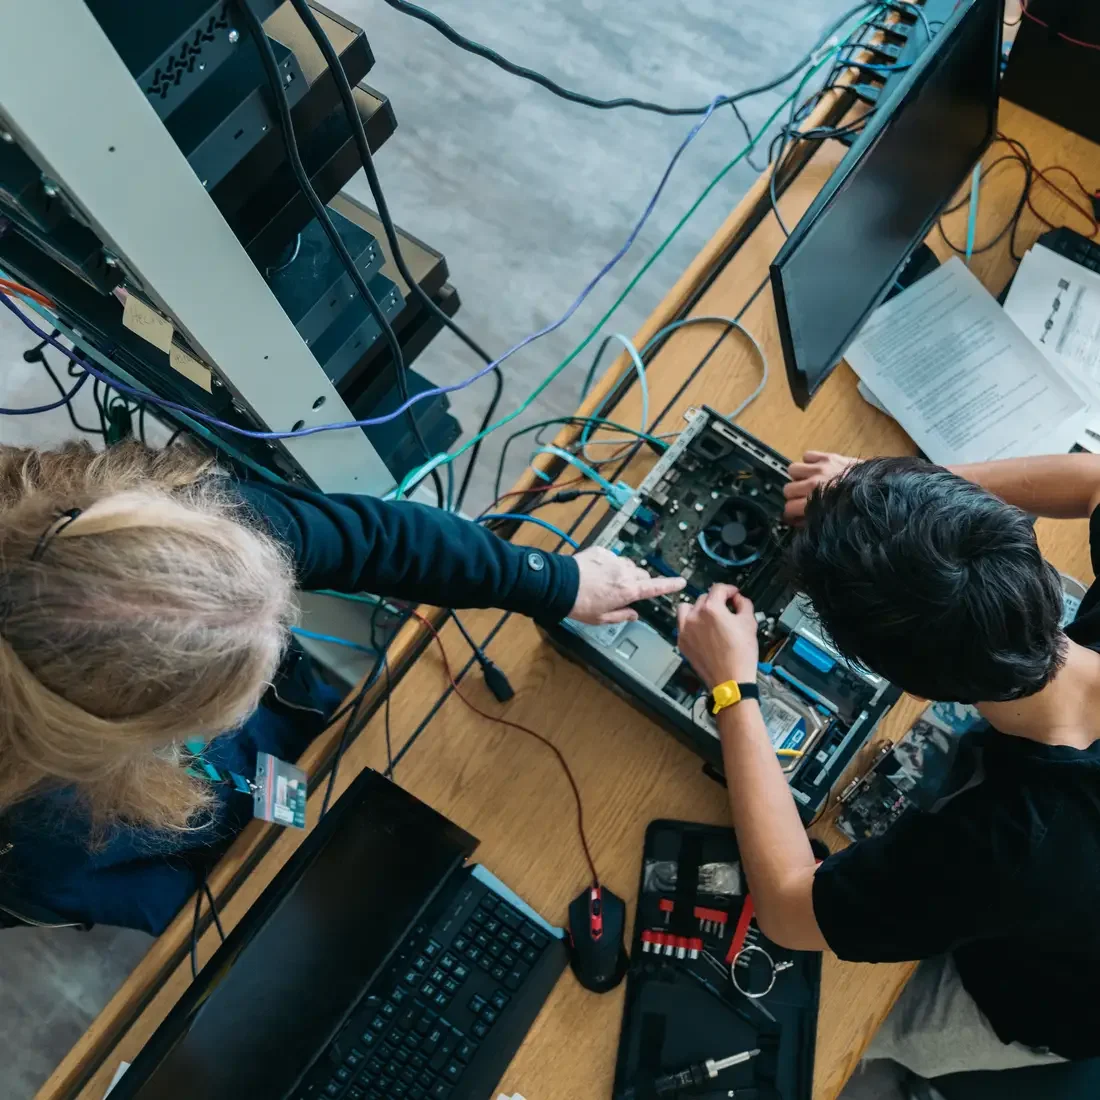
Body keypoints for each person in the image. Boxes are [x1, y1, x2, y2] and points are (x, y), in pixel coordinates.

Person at [0, 441, 684, 935]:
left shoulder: (172, 536)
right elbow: (163, 910)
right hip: (201, 859)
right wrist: (273, 900)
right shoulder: (39, 833)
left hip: (279, 769)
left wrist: (552, 581)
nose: (276, 664)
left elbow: (375, 537)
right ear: (128, 734)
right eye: (231, 690)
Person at [676, 449, 1100, 1098]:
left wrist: (734, 689)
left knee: (837, 1032)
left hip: (1057, 1002)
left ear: (904, 684)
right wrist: (893, 493)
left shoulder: (1011, 846)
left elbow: (790, 911)